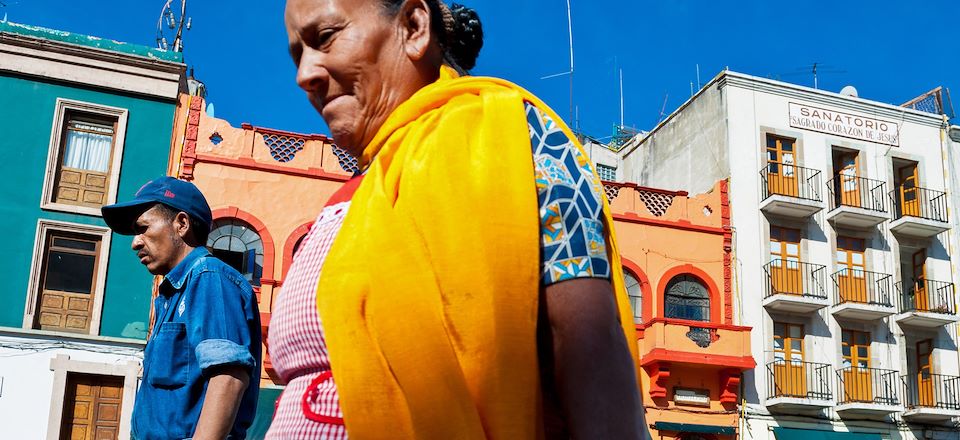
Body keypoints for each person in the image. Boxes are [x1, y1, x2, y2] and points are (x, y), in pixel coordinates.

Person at [268, 0, 647, 438]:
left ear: (413, 26)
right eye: (298, 54)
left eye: (325, 38)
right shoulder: (353, 200)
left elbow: (592, 355)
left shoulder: (519, 144)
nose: (304, 75)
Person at [101, 176, 262, 440]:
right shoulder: (173, 294)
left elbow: (229, 378)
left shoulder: (209, 278)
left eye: (143, 228)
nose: (135, 242)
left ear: (182, 224)